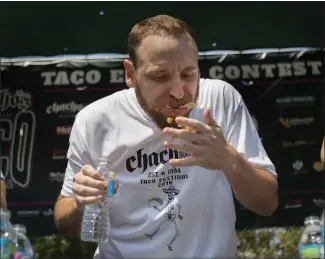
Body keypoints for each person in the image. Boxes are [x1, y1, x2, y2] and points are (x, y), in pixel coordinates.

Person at [54, 14, 279, 258]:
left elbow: (267, 204)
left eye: (188, 74)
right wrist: (80, 202)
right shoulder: (96, 120)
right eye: (160, 77)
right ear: (130, 74)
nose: (178, 91)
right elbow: (64, 222)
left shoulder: (218, 100)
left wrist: (228, 159)